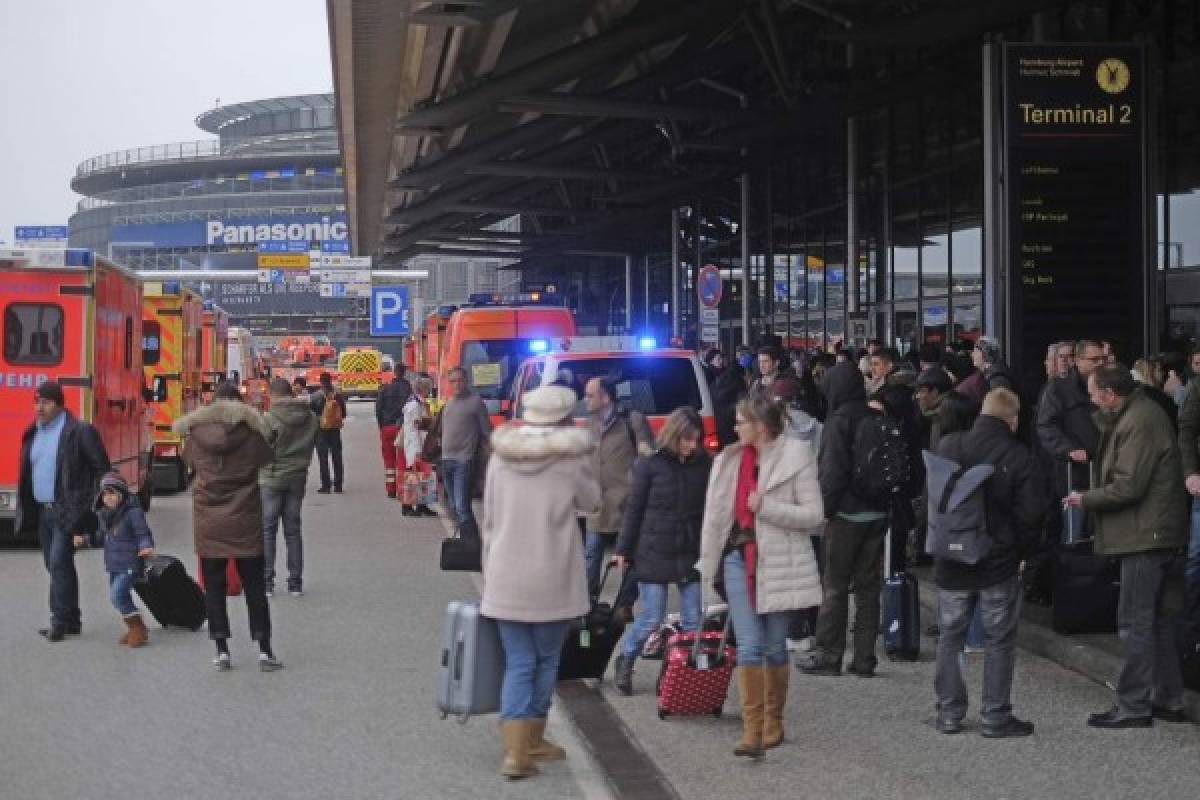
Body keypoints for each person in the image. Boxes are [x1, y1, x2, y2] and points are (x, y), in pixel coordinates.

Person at [480, 385, 601, 780]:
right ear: (566, 417)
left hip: (506, 574)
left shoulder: (501, 456)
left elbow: (491, 518)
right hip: (553, 574)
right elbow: (590, 502)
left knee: (518, 661)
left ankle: (515, 751)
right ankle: (532, 738)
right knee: (545, 659)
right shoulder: (570, 458)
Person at [699, 394, 823, 758]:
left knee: (773, 645)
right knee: (750, 644)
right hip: (738, 558)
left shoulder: (796, 456)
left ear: (761, 425)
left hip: (779, 561)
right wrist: (707, 562)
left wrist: (767, 507)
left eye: (741, 422)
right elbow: (715, 517)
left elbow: (814, 515)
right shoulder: (730, 459)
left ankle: (774, 720)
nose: (735, 428)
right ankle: (751, 730)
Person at [1066, 365, 1188, 727]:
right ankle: (1169, 698)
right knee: (1161, 621)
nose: (1090, 400)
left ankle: (1134, 704)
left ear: (1109, 394)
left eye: (1093, 394)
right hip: (1160, 533)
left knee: (1135, 622)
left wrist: (1085, 499)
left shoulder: (1140, 421)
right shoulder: (1137, 414)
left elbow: (1129, 485)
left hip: (1144, 536)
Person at [932, 389, 1045, 737]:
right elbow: (1032, 514)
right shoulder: (1018, 455)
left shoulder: (949, 445)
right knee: (999, 638)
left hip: (951, 558)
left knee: (950, 636)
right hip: (997, 561)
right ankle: (995, 716)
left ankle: (949, 713)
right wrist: (1022, 553)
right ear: (1012, 420)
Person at [175, 382, 281, 672]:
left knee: (213, 586)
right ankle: (264, 649)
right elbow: (266, 461)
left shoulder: (196, 434)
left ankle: (221, 649)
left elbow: (189, 464)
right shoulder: (251, 434)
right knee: (254, 586)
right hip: (244, 517)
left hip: (209, 519)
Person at [611, 408, 712, 696]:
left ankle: (679, 672)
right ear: (674, 436)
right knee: (651, 616)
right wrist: (623, 549)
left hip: (689, 548)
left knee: (693, 620)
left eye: (696, 440)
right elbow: (634, 510)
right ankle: (627, 657)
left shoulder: (703, 465)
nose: (693, 446)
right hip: (654, 548)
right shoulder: (650, 465)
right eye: (687, 440)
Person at [801, 360, 888, 678]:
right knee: (868, 587)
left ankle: (828, 653)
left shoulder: (838, 421)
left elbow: (832, 472)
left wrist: (823, 510)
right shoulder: (878, 417)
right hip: (878, 512)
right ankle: (865, 658)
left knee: (835, 585)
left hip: (846, 514)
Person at [17, 381, 111, 641]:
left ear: (59, 405)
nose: (39, 407)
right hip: (43, 510)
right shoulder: (33, 432)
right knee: (54, 563)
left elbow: (101, 468)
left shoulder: (79, 431)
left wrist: (94, 503)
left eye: (45, 402)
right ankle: (71, 619)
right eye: (36, 402)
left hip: (68, 509)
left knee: (59, 561)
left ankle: (59, 620)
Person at [583, 376, 653, 596]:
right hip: (597, 505)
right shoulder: (589, 424)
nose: (585, 400)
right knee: (591, 553)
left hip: (625, 504)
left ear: (605, 397)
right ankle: (588, 602)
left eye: (590, 395)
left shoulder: (632, 421)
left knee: (627, 557)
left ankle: (625, 604)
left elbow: (647, 459)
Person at [260, 377, 317, 598]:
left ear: (273, 395)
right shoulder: (310, 417)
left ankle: (267, 583)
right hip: (298, 477)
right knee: (293, 530)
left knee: (268, 531)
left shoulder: (269, 418)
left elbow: (261, 448)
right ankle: (295, 583)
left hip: (272, 478)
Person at [1037, 339, 1103, 515]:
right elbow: (1045, 426)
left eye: (1103, 359)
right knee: (1075, 530)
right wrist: (1069, 449)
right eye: (1094, 359)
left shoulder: (1107, 386)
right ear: (1079, 360)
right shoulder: (1058, 388)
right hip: (1074, 474)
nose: (1100, 364)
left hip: (1103, 471)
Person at [95, 472, 155, 648]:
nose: (108, 498)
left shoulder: (133, 513)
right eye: (105, 494)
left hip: (130, 563)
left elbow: (142, 533)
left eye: (112, 493)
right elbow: (101, 537)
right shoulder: (105, 515)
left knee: (117, 595)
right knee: (119, 596)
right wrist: (85, 539)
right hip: (114, 564)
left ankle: (137, 628)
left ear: (121, 494)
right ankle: (136, 627)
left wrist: (146, 546)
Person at [440, 366, 492, 536]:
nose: (457, 384)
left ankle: (471, 544)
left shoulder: (475, 402)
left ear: (466, 381)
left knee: (462, 506)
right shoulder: (448, 402)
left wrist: (491, 456)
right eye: (453, 381)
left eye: (460, 380)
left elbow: (486, 432)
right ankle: (468, 541)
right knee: (454, 505)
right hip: (446, 459)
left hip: (464, 460)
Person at [375, 362, 413, 498]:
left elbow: (378, 410)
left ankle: (391, 489)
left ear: (394, 372)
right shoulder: (409, 389)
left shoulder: (385, 389)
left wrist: (382, 427)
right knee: (403, 461)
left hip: (387, 428)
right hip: (403, 428)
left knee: (389, 461)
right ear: (404, 373)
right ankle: (403, 489)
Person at [402, 375, 438, 517]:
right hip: (415, 444)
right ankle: (407, 506)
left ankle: (422, 505)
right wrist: (432, 423)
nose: (429, 390)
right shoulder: (414, 405)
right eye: (427, 388)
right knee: (413, 475)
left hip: (420, 442)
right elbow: (416, 425)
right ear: (422, 389)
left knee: (424, 476)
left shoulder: (419, 403)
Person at [310, 372, 348, 494]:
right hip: (335, 430)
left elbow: (311, 414)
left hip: (321, 430)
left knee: (323, 458)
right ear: (330, 380)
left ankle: (326, 486)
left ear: (321, 382)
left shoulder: (316, 396)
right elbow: (344, 413)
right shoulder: (338, 395)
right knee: (337, 456)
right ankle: (338, 485)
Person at [957, 336, 1014, 406]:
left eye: (976, 351)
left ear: (985, 353)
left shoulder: (997, 378)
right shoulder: (989, 373)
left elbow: (1000, 407)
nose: (972, 355)